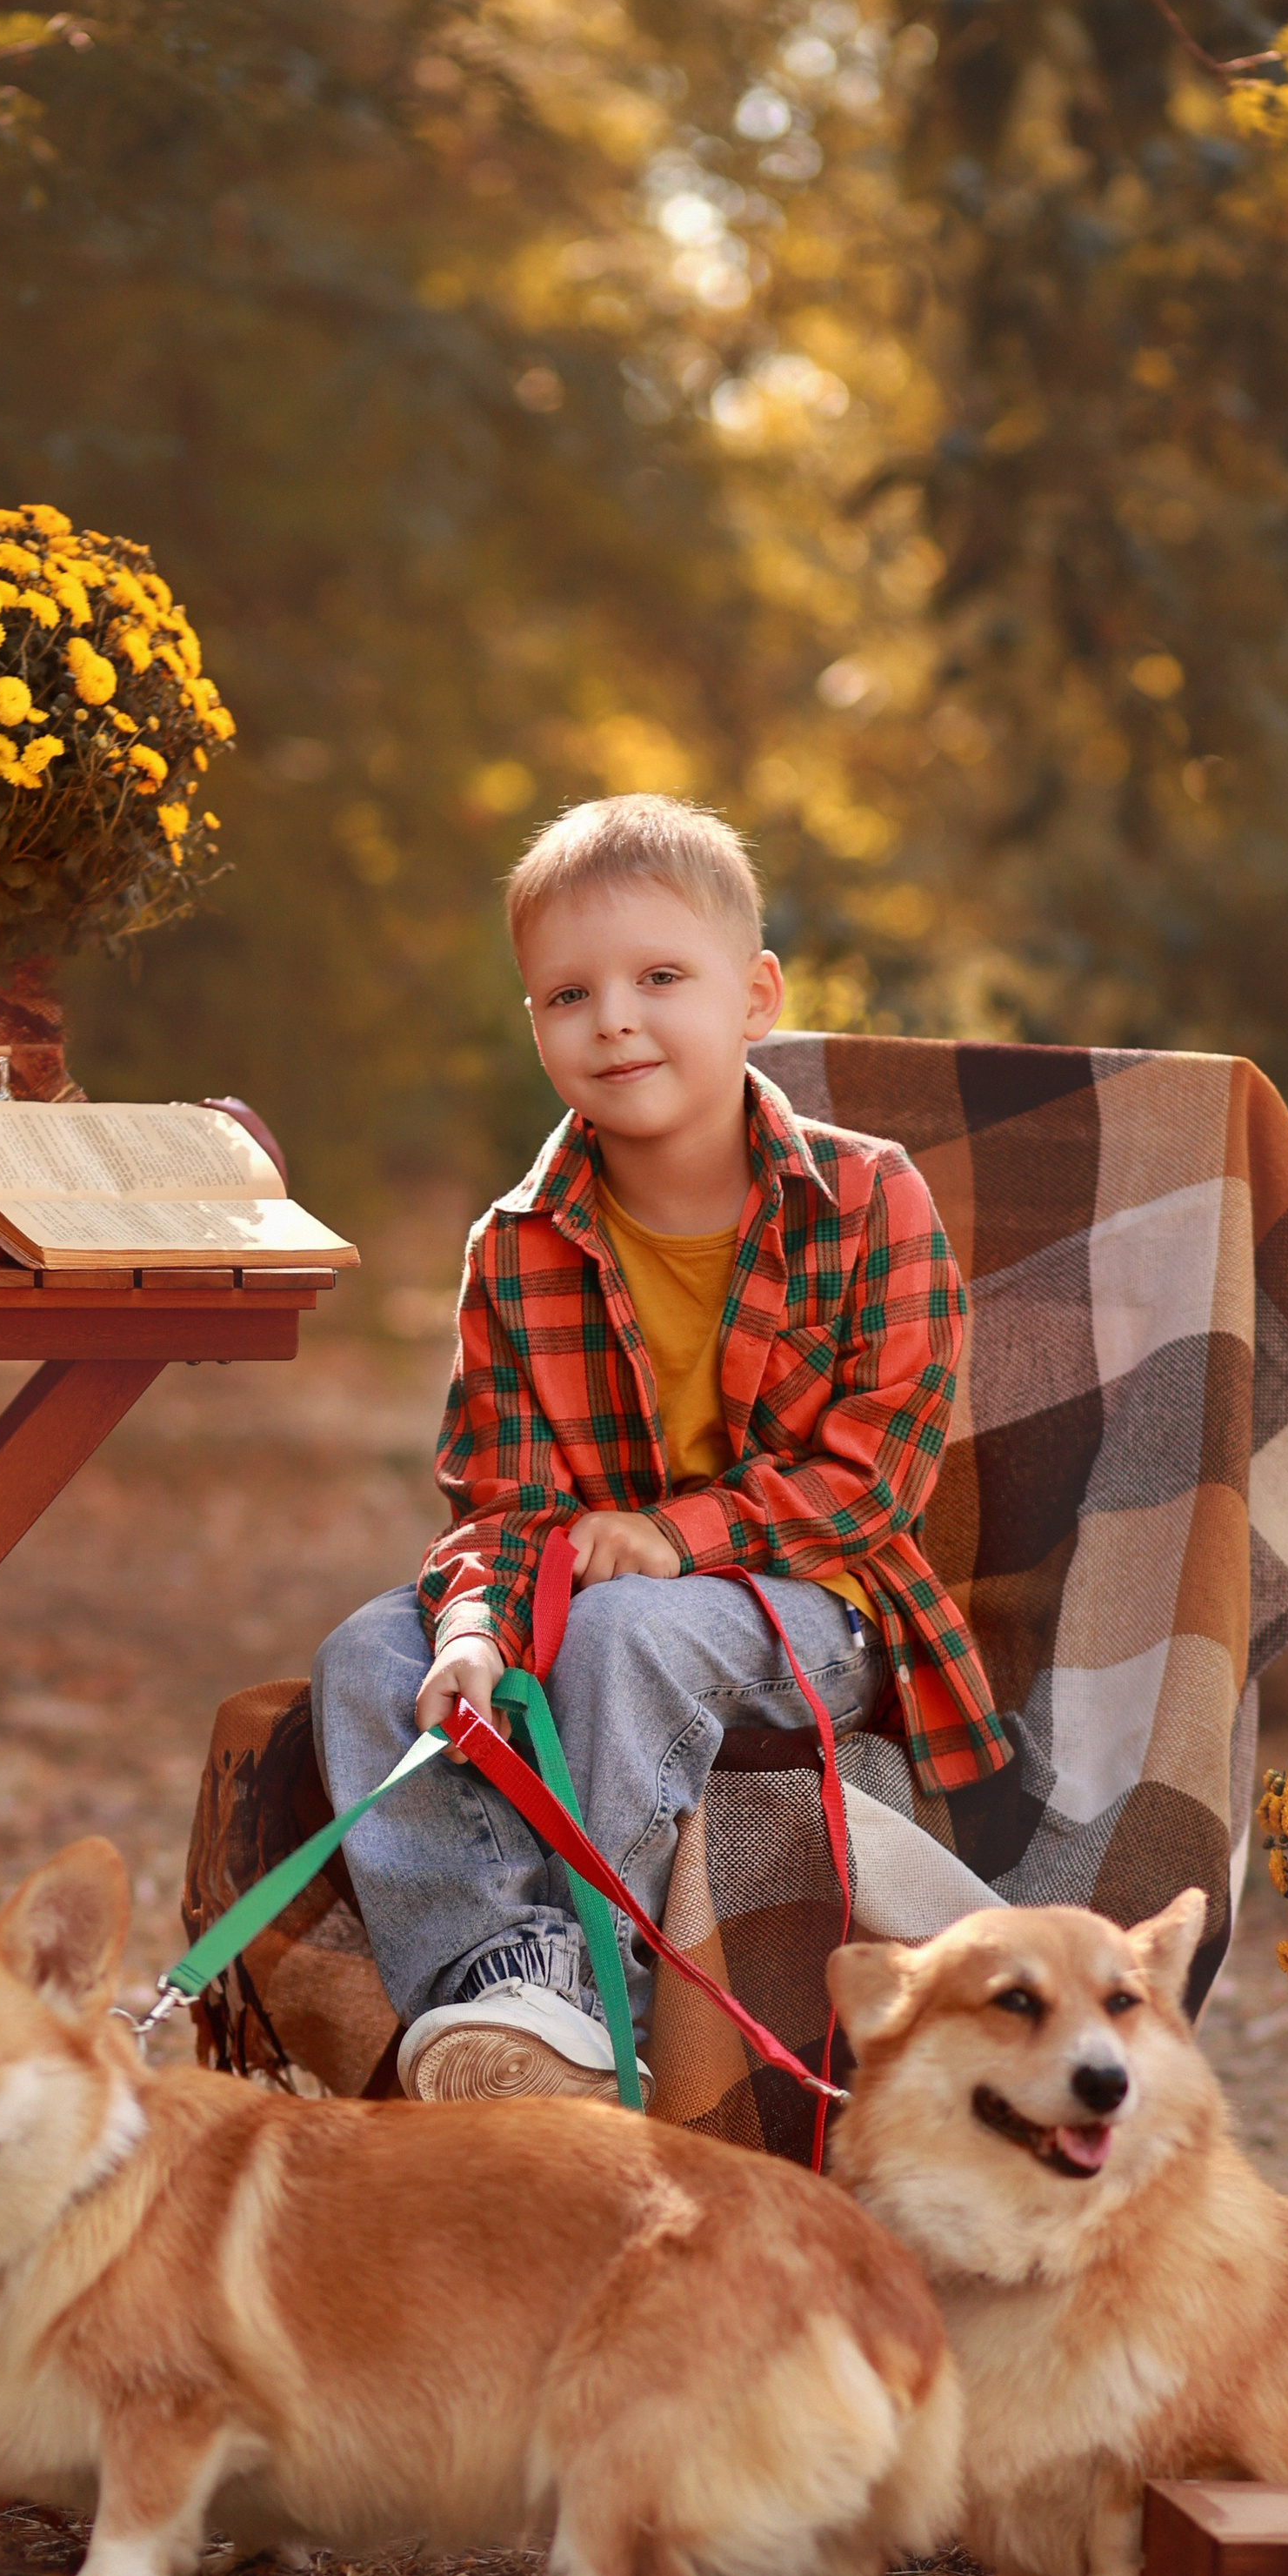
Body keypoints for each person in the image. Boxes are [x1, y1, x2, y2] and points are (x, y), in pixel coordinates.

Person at [310, 792, 1006, 2102]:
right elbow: (508, 1504)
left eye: (660, 978)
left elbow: (875, 1479)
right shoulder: (515, 1244)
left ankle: (606, 1976)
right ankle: (499, 2004)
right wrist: (472, 1629)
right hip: (591, 1601)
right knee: (368, 1654)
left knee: (638, 1632)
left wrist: (676, 1538)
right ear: (536, 1027)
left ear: (755, 997)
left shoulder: (868, 1198)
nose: (614, 1016)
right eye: (569, 994)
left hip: (815, 1614)